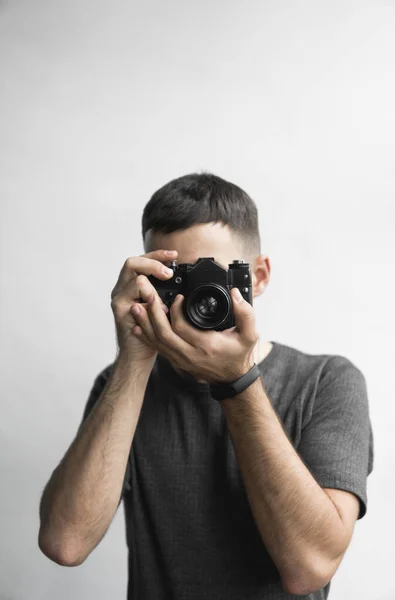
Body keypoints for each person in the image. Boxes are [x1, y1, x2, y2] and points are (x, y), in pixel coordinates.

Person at [38, 172, 374, 600]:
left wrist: (237, 382)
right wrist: (133, 362)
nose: (197, 300)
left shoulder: (326, 382)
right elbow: (65, 543)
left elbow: (308, 568)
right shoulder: (124, 386)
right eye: (176, 281)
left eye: (211, 278)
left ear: (260, 276)